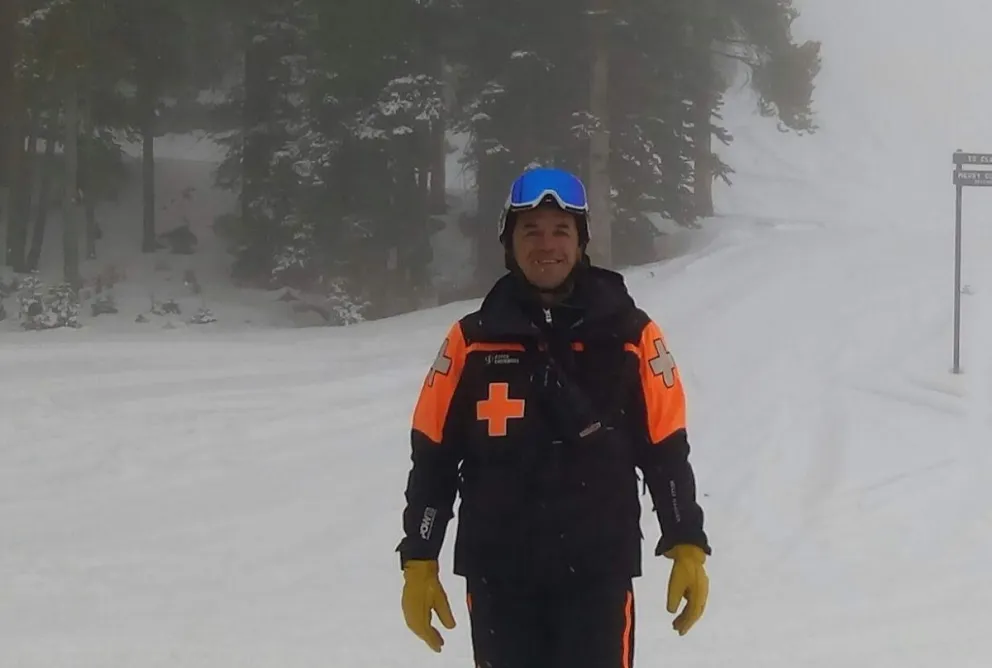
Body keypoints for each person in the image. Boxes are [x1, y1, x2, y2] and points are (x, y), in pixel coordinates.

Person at [397, 166, 711, 668]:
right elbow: (433, 455)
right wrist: (419, 555)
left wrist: (686, 540)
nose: (547, 245)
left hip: (597, 575)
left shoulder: (633, 337)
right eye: (532, 231)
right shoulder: (470, 341)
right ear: (509, 243)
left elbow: (666, 448)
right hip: (500, 576)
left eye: (561, 231)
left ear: (581, 242)